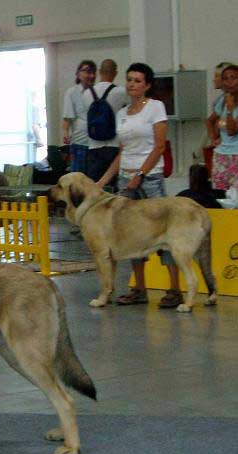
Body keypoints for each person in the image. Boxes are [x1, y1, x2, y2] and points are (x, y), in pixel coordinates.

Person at [98, 62, 174, 307]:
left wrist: (141, 173)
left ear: (147, 85)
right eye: (129, 79)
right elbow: (123, 151)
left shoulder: (155, 108)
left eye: (138, 80)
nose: (132, 84)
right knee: (130, 235)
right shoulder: (121, 113)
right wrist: (103, 180)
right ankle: (138, 287)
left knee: (164, 233)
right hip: (125, 177)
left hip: (149, 178)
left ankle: (174, 289)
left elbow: (159, 146)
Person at [158, 164, 222, 308]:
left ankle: (178, 291)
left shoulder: (182, 195)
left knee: (171, 251)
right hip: (201, 225)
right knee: (204, 259)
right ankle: (212, 291)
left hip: (185, 229)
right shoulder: (215, 195)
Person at [82, 59, 128, 185]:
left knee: (94, 188)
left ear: (99, 72)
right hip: (114, 146)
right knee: (113, 189)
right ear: (115, 73)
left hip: (93, 147)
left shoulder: (86, 93)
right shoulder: (121, 92)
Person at [206, 64, 238, 194]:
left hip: (236, 154)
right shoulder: (223, 100)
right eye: (225, 78)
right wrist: (214, 138)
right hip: (221, 154)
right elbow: (209, 120)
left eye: (233, 78)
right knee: (220, 194)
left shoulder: (229, 104)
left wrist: (230, 111)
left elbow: (231, 131)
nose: (229, 82)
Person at [62, 60, 96, 173]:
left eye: (92, 72)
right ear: (78, 74)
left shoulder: (97, 91)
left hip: (96, 143)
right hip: (80, 142)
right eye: (86, 71)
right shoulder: (72, 92)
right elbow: (67, 117)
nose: (90, 75)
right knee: (78, 178)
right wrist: (65, 133)